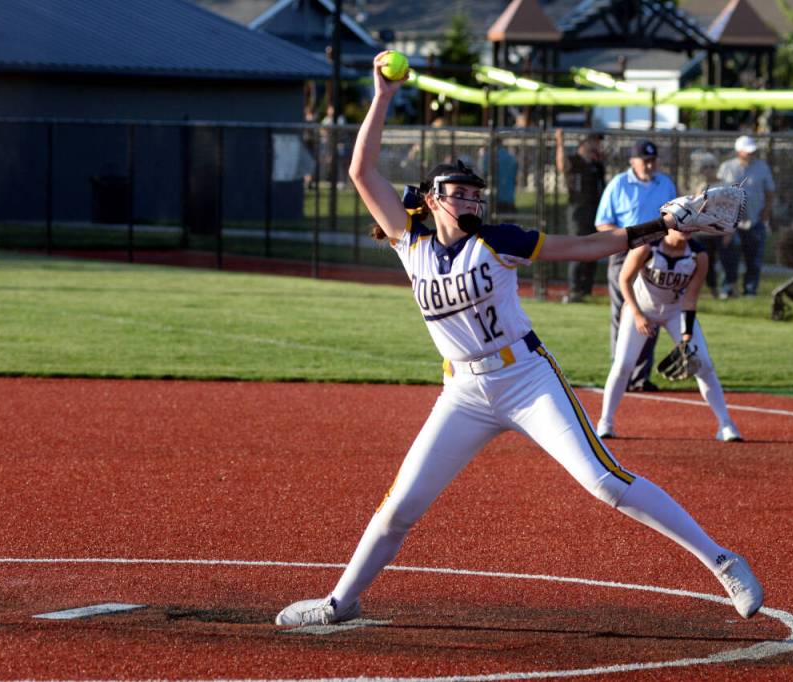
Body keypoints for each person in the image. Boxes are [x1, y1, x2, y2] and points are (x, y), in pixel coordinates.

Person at [274, 55, 763, 628]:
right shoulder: (410, 242)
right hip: (462, 391)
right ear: (431, 200)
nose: (471, 200)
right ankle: (341, 601)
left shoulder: (498, 239)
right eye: (458, 193)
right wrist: (381, 93)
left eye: (475, 194)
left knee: (603, 482)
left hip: (525, 378)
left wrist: (655, 226)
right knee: (401, 506)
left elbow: (583, 247)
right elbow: (361, 171)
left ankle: (725, 560)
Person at [596, 229, 743, 442]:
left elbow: (691, 299)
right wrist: (637, 314)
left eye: (690, 224)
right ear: (668, 223)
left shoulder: (698, 255)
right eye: (680, 222)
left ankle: (726, 425)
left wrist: (686, 336)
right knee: (623, 365)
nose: (686, 229)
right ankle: (605, 422)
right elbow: (624, 280)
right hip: (641, 308)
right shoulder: (648, 246)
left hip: (676, 311)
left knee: (703, 364)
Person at [596, 139, 678, 392]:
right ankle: (621, 372)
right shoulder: (619, 183)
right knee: (624, 311)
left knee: (649, 313)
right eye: (645, 160)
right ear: (633, 161)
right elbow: (603, 223)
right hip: (623, 252)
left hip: (655, 255)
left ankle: (641, 377)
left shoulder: (665, 183)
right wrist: (628, 239)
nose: (649, 165)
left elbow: (675, 217)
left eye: (653, 160)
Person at [717, 135, 776, 297]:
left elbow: (770, 192)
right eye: (747, 151)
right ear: (739, 152)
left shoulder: (762, 168)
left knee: (754, 259)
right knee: (729, 257)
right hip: (731, 222)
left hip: (755, 220)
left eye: (752, 151)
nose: (751, 154)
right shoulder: (726, 167)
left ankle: (750, 290)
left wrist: (766, 213)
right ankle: (727, 288)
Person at [555, 128, 606, 303]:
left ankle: (587, 290)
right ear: (584, 142)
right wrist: (560, 142)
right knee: (577, 248)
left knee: (594, 249)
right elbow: (561, 165)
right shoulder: (574, 161)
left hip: (595, 211)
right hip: (578, 211)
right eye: (593, 141)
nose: (597, 145)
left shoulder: (596, 164)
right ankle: (575, 290)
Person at [689, 151, 729, 299]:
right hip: (702, 232)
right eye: (706, 166)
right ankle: (713, 291)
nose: (709, 169)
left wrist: (728, 232)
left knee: (726, 260)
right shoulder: (699, 186)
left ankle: (729, 289)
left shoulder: (724, 185)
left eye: (712, 166)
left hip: (719, 230)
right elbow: (695, 208)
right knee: (706, 262)